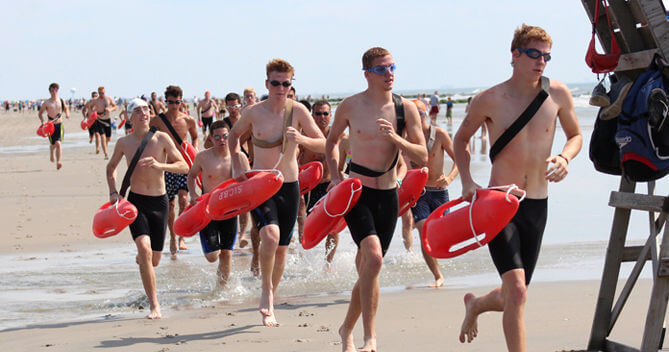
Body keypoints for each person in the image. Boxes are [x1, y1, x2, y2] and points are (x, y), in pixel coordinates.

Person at [453, 24, 582, 352]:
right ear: (515, 55)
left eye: (546, 56)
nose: (541, 61)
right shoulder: (489, 99)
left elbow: (576, 136)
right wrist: (467, 180)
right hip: (499, 203)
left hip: (537, 203)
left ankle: (478, 304)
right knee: (519, 291)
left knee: (515, 293)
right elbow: (461, 139)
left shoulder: (558, 94)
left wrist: (566, 158)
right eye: (534, 54)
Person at [325, 47, 427, 352]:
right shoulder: (350, 105)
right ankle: (370, 337)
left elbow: (422, 156)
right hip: (357, 193)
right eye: (382, 69)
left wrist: (396, 139)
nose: (390, 74)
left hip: (387, 195)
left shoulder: (404, 109)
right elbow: (330, 143)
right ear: (367, 74)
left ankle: (346, 328)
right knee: (374, 257)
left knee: (369, 267)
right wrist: (334, 176)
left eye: (393, 67)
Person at [228, 58, 325, 327]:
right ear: (266, 83)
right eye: (275, 83)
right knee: (270, 235)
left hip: (289, 185)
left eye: (286, 83)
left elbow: (324, 143)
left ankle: (271, 293)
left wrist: (302, 139)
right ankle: (265, 290)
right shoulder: (253, 112)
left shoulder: (299, 111)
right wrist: (238, 161)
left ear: (291, 84)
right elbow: (234, 136)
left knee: (282, 249)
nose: (280, 88)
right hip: (261, 183)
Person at [105, 98, 188, 319]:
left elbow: (184, 165)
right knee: (144, 247)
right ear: (129, 116)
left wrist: (161, 165)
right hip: (136, 203)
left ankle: (145, 262)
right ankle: (155, 305)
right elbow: (110, 167)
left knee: (154, 259)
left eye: (146, 109)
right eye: (138, 110)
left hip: (159, 203)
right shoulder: (124, 142)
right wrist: (113, 191)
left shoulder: (161, 138)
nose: (143, 113)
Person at [408, 99, 458, 287]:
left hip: (438, 192)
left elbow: (458, 160)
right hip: (418, 194)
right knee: (424, 232)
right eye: (412, 114)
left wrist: (450, 178)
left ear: (426, 113)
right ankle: (438, 276)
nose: (417, 117)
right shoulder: (406, 137)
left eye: (420, 113)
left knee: (442, 235)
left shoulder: (440, 135)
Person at [150, 85, 199, 257]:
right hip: (166, 166)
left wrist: (194, 151)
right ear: (166, 102)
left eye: (177, 102)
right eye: (170, 102)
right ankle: (172, 236)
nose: (174, 105)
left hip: (184, 165)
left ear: (181, 101)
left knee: (184, 199)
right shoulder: (157, 121)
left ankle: (181, 237)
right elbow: (149, 139)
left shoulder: (187, 120)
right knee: (169, 204)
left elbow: (195, 136)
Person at [187, 120, 237, 286]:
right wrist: (193, 194)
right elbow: (191, 175)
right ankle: (219, 279)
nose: (221, 140)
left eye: (225, 136)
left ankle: (221, 289)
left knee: (227, 253)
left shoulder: (237, 156)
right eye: (217, 137)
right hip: (208, 209)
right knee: (212, 256)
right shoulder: (203, 157)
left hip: (230, 209)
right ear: (211, 138)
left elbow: (247, 180)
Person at [221, 92, 259, 276]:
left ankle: (243, 234)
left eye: (236, 106)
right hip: (232, 165)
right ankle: (239, 234)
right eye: (230, 107)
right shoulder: (226, 125)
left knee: (250, 205)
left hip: (252, 165)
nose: (233, 109)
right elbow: (209, 142)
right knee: (237, 203)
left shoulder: (248, 121)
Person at [296, 100, 335, 265]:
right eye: (318, 114)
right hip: (308, 187)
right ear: (312, 116)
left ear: (331, 115)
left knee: (332, 227)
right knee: (304, 224)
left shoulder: (338, 136)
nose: (322, 117)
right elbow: (294, 159)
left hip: (329, 185)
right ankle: (304, 257)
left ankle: (327, 264)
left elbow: (350, 156)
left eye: (325, 113)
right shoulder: (305, 137)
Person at [38, 83, 70, 170]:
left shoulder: (61, 100)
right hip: (50, 127)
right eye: (52, 90)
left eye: (56, 90)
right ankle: (51, 150)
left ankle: (58, 161)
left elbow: (66, 108)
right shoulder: (47, 103)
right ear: (50, 91)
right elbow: (40, 113)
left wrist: (67, 114)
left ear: (58, 91)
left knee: (58, 143)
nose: (54, 92)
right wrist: (42, 121)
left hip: (59, 125)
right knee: (53, 144)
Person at [90, 86, 118, 159]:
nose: (101, 94)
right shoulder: (95, 100)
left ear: (104, 92)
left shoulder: (109, 98)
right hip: (99, 120)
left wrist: (110, 109)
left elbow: (115, 107)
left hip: (107, 119)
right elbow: (90, 107)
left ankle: (104, 146)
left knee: (108, 138)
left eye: (102, 93)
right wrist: (94, 113)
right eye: (100, 93)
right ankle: (106, 154)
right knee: (102, 136)